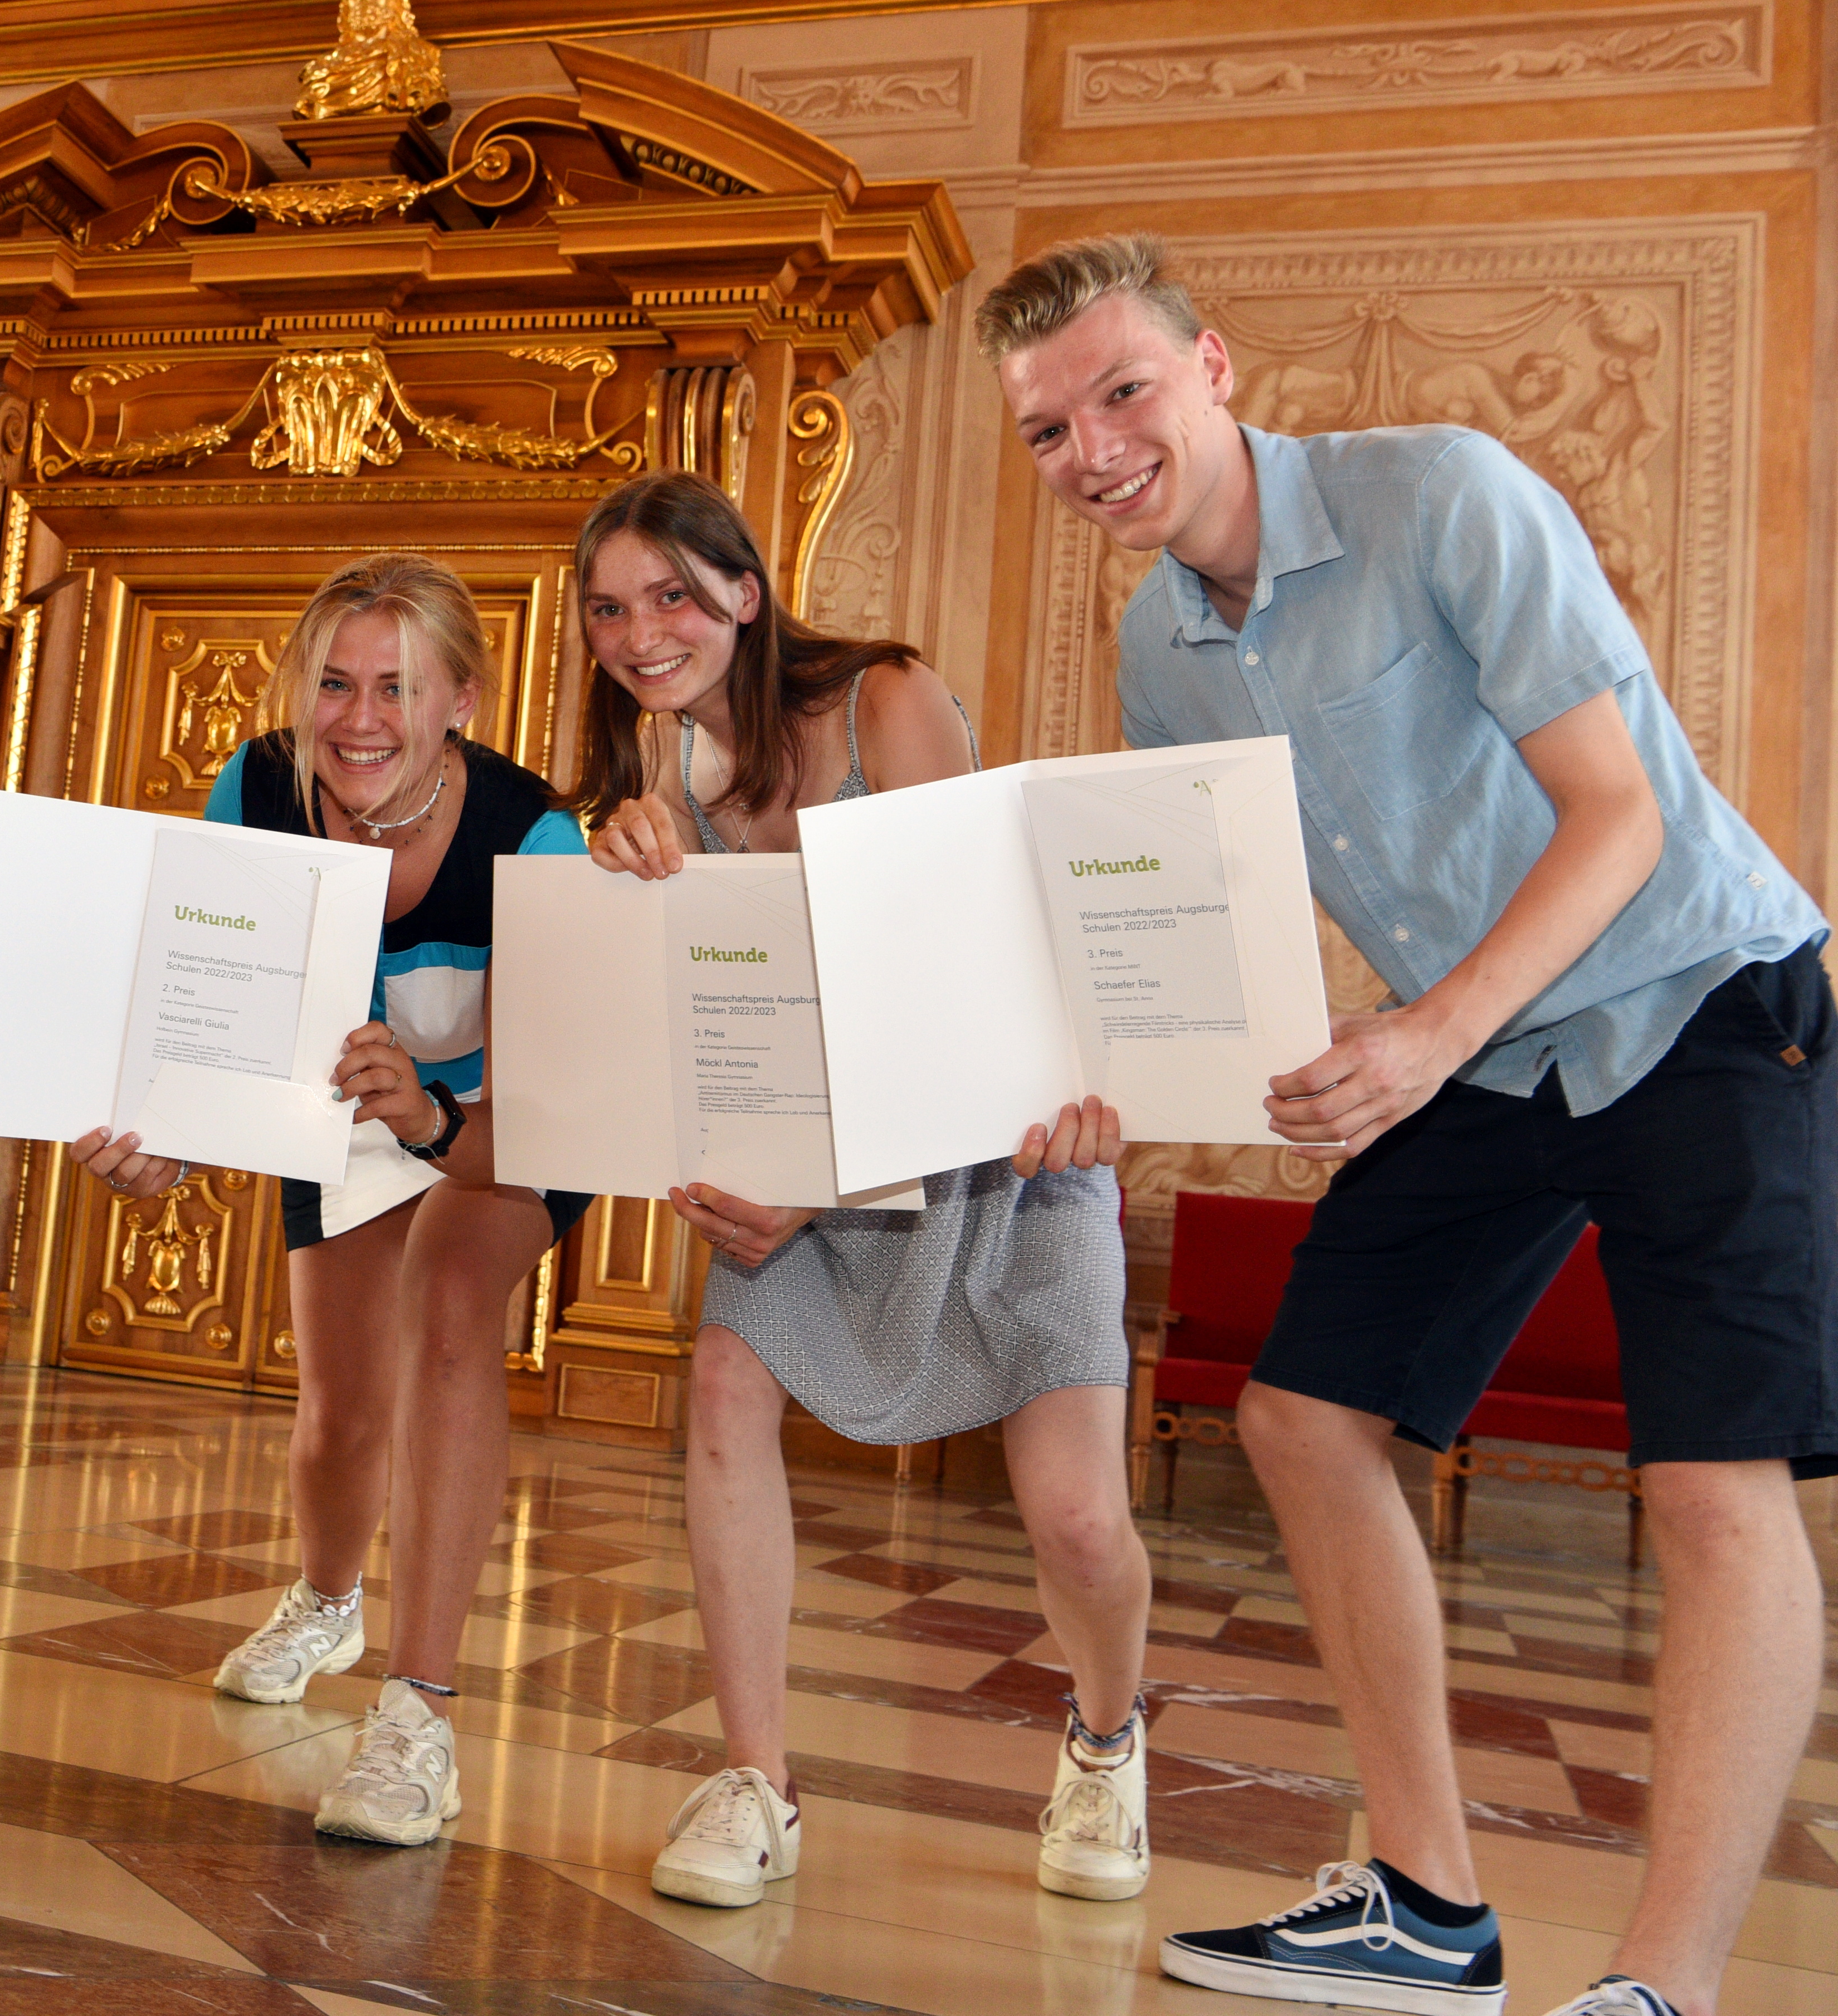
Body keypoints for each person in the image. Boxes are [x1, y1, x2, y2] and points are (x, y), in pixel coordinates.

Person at [983, 233, 1831, 2016]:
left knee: (1710, 1486)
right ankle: (1429, 1910)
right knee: (1301, 1420)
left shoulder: (1444, 494)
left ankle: (1657, 1989)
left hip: (1701, 999)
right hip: (1487, 1053)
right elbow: (1198, 923)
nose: (1095, 450)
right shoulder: (1160, 643)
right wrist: (1128, 1083)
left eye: (1121, 392)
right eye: (1049, 432)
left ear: (1215, 367)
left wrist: (1423, 1041)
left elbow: (1617, 820)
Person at [571, 471, 1156, 1911]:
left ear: (746, 595)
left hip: (998, 1151)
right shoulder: (665, 796)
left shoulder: (882, 702)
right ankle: (758, 1781)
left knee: (1077, 1515)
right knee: (720, 1391)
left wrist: (818, 1194)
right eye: (609, 609)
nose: (643, 634)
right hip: (810, 1168)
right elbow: (681, 1035)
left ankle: (1104, 1742)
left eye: (673, 596)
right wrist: (620, 880)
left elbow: (959, 973)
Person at [70, 552, 589, 1846]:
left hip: (498, 1118)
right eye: (334, 684)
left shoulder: (535, 836)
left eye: (395, 689)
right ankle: (326, 1596)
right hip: (341, 1107)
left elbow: (553, 1085)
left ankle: (417, 1712)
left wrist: (434, 1114)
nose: (357, 718)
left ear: (458, 697)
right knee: (339, 1410)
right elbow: (212, 1004)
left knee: (452, 1310)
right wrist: (170, 1137)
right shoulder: (252, 787)